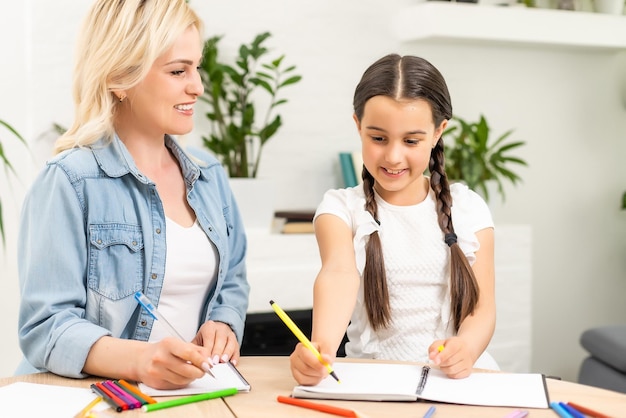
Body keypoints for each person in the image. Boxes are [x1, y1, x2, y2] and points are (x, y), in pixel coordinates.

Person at [16, 0, 249, 390]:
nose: (198, 86)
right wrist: (140, 359)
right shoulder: (69, 182)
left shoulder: (210, 176)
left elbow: (233, 281)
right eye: (178, 70)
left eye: (197, 67)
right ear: (119, 78)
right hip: (93, 399)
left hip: (185, 396)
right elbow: (46, 328)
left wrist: (224, 322)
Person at [290, 54, 497, 386]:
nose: (393, 156)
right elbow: (338, 275)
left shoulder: (469, 209)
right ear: (358, 125)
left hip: (454, 382)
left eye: (411, 141)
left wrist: (467, 348)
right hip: (374, 383)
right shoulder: (340, 209)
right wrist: (321, 348)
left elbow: (482, 308)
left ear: (438, 132)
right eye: (378, 138)